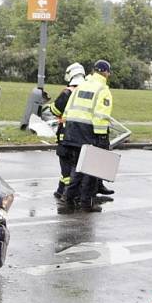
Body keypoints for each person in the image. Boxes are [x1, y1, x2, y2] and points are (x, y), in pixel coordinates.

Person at [60, 59, 114, 213]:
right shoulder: (103, 89)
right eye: (108, 72)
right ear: (104, 72)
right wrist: (102, 138)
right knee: (91, 170)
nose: (109, 74)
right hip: (90, 132)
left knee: (78, 167)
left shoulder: (82, 85)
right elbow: (101, 116)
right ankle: (86, 203)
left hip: (72, 131)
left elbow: (69, 108)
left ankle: (68, 197)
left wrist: (66, 129)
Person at [51, 63, 86, 202]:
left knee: (66, 165)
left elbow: (55, 110)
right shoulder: (88, 91)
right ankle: (61, 190)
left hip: (66, 135)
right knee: (75, 164)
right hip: (82, 135)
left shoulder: (68, 92)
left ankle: (67, 193)